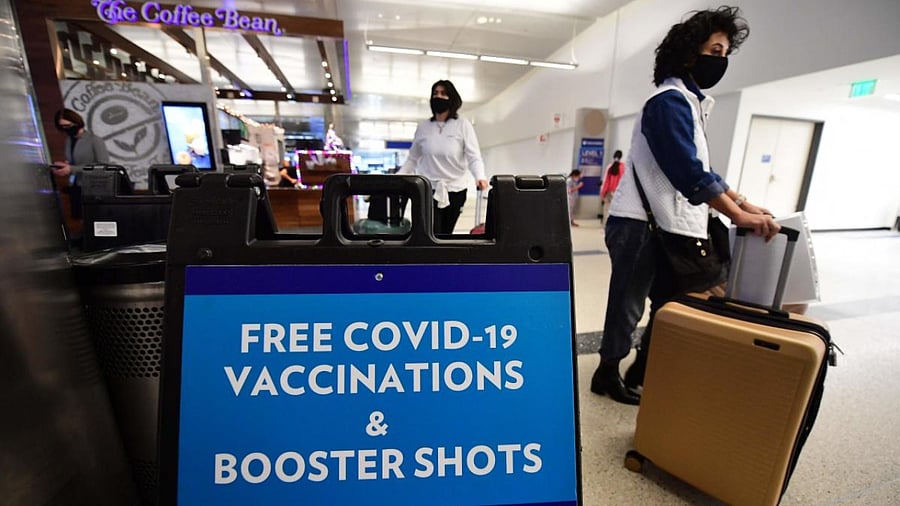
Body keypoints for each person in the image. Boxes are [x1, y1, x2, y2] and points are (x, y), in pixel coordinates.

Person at [590, 6, 779, 405]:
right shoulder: (668, 102)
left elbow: (707, 171)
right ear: (689, 52)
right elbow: (687, 170)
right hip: (640, 223)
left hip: (669, 224)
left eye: (725, 52)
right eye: (715, 50)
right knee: (629, 303)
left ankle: (642, 369)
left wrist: (745, 203)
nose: (721, 60)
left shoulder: (691, 104)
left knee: (668, 302)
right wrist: (737, 215)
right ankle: (607, 372)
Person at [398, 80, 488, 235]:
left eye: (443, 94)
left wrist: (480, 176)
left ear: (452, 98)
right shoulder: (424, 127)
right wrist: (398, 177)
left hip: (455, 189)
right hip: (428, 188)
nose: (438, 97)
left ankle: (443, 258)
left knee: (446, 232)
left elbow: (473, 156)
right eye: (435, 93)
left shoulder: (462, 125)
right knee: (431, 231)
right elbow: (412, 158)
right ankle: (431, 258)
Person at [50, 108, 110, 179]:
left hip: (94, 184)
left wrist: (72, 169)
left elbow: (104, 166)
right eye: (62, 127)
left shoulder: (94, 140)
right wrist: (65, 166)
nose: (65, 129)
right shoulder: (68, 141)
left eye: (68, 126)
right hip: (76, 184)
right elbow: (74, 163)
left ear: (76, 122)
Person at [599, 150, 624, 224]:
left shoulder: (610, 167)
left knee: (606, 211)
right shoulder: (623, 167)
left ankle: (605, 228)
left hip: (609, 192)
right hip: (619, 193)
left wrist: (603, 193)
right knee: (616, 212)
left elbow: (606, 181)